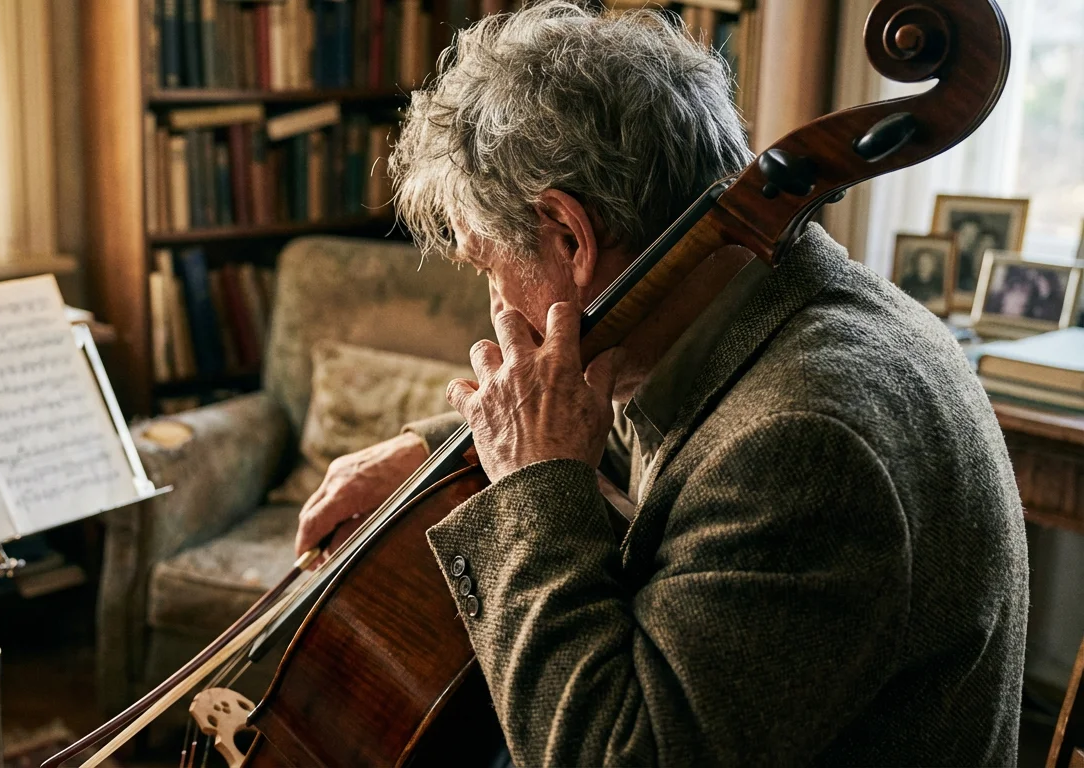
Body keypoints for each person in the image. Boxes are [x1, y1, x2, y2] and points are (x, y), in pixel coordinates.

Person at [293, 3, 1027, 765]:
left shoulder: (803, 442)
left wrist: (532, 485)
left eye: (486, 265)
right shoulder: (746, 303)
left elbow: (614, 753)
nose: (495, 301)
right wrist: (431, 453)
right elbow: (621, 425)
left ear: (571, 237)